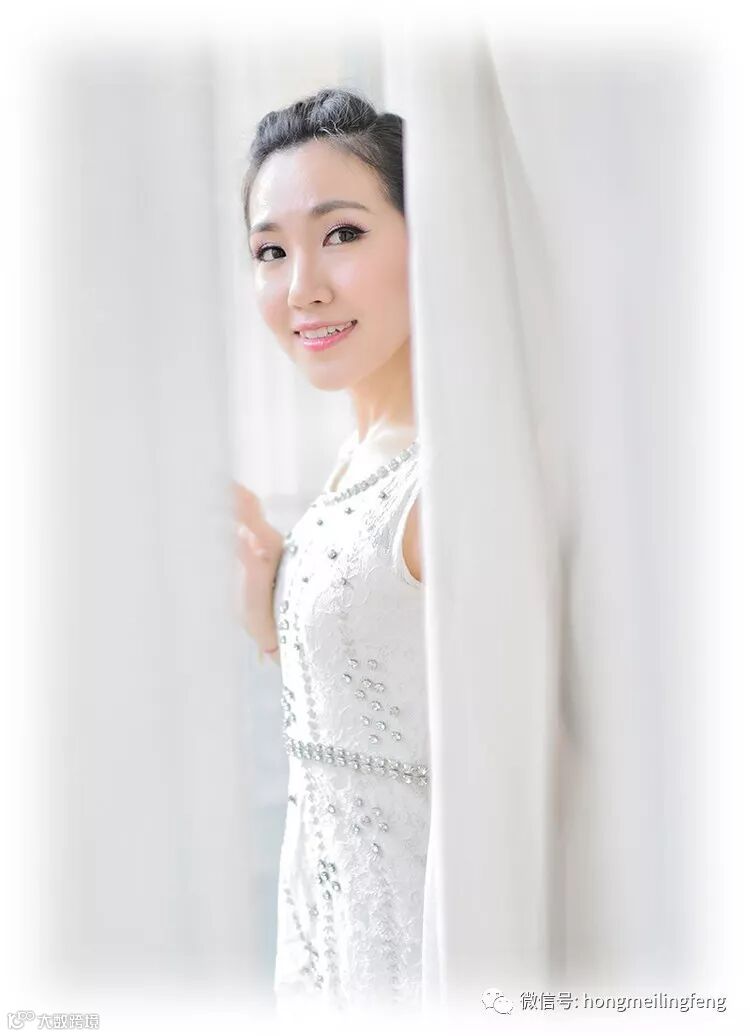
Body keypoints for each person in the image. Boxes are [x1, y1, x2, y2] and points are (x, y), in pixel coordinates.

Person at [233, 87, 428, 1018]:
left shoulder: (450, 481)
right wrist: (268, 611)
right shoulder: (360, 457)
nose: (300, 286)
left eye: (341, 234)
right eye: (270, 251)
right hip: (329, 959)